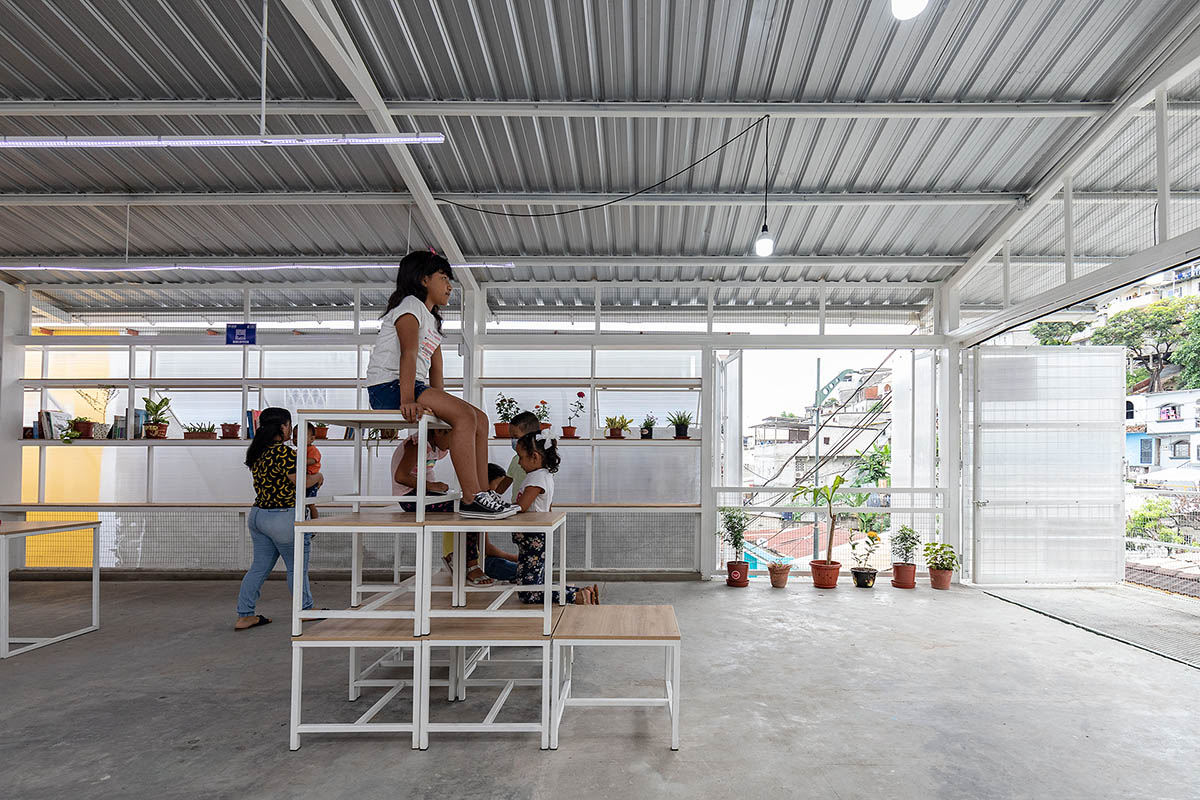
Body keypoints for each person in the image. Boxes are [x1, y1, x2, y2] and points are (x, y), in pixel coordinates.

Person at [364, 250, 516, 519]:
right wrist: (407, 400)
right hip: (388, 386)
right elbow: (408, 353)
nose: (450, 286)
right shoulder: (410, 306)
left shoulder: (432, 319)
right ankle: (472, 497)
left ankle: (483, 492)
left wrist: (443, 409)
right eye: (444, 278)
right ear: (424, 280)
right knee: (465, 416)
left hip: (413, 385)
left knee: (480, 419)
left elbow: (436, 368)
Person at [235, 407, 323, 630]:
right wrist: (319, 476)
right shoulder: (284, 453)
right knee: (296, 567)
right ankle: (305, 609)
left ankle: (245, 614)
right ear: (283, 426)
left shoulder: (258, 451)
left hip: (259, 515)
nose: (290, 431)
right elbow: (302, 483)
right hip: (283, 517)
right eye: (289, 425)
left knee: (258, 568)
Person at [389, 427, 490, 586]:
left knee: (469, 506)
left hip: (423, 494)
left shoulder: (436, 447)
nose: (454, 444)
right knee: (469, 508)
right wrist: (431, 486)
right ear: (438, 432)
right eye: (453, 438)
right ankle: (471, 564)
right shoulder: (418, 444)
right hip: (411, 497)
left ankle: (458, 557)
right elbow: (401, 476)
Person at [511, 431, 597, 605]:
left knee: (527, 591)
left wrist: (502, 509)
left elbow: (522, 507)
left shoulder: (536, 478)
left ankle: (576, 597)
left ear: (535, 457)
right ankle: (582, 592)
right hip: (536, 537)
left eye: (520, 457)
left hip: (532, 538)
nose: (519, 462)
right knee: (537, 583)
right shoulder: (544, 476)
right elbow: (547, 508)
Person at [303, 422, 321, 520]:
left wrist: (298, 460)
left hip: (312, 480)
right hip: (305, 478)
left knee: (311, 503)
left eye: (301, 435)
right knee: (303, 502)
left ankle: (315, 522)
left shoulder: (313, 450)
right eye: (295, 436)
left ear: (312, 439)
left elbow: (312, 460)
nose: (297, 439)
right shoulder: (299, 450)